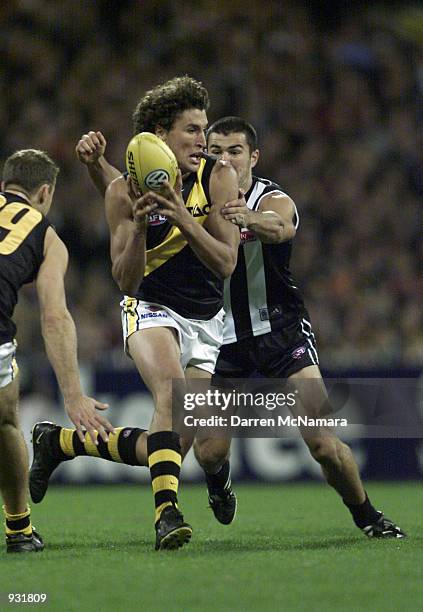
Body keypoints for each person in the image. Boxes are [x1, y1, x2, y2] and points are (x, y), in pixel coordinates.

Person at [31, 113, 405, 540]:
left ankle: (368, 516)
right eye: (217, 150)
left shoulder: (271, 198)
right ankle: (85, 448)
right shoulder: (197, 193)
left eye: (235, 151)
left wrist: (247, 219)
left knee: (323, 443)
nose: (224, 158)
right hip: (219, 338)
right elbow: (137, 188)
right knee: (197, 449)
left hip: (281, 334)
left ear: (253, 156)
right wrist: (99, 165)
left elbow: (281, 226)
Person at [30, 77, 240, 550]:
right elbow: (125, 280)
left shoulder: (218, 176)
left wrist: (181, 215)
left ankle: (61, 443)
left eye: (204, 128)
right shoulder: (122, 195)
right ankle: (167, 515)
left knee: (170, 446)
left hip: (207, 322)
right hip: (149, 308)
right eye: (191, 130)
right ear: (160, 136)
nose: (202, 139)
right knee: (173, 393)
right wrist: (144, 225)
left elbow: (226, 262)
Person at [0, 149, 114, 553]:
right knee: (6, 423)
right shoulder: (47, 236)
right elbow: (55, 318)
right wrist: (73, 394)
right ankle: (18, 530)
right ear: (45, 192)